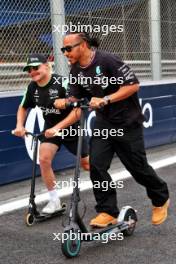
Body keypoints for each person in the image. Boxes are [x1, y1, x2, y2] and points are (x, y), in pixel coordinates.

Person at [54, 31, 169, 227]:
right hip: (103, 124)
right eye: (62, 49)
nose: (65, 53)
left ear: (82, 45)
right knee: (96, 165)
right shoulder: (75, 71)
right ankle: (107, 211)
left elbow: (133, 86)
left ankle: (160, 198)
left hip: (127, 122)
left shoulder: (107, 60)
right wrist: (66, 102)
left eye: (68, 48)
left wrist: (106, 99)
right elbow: (77, 100)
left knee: (138, 168)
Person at [13, 53, 89, 214]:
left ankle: (104, 191)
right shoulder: (32, 87)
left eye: (36, 68)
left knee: (88, 164)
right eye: (29, 70)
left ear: (47, 66)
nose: (32, 72)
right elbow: (23, 107)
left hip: (72, 127)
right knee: (44, 159)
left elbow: (77, 111)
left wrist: (59, 127)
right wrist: (20, 125)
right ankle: (54, 201)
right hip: (50, 128)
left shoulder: (63, 82)